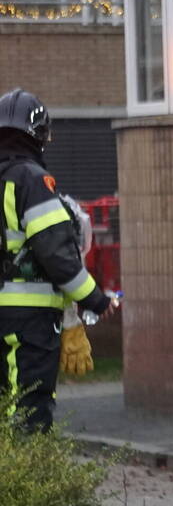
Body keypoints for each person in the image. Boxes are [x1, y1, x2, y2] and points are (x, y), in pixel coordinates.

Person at [0, 89, 114, 431]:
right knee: (28, 413)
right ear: (38, 136)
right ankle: (21, 483)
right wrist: (94, 298)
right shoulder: (31, 180)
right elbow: (56, 251)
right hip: (27, 322)